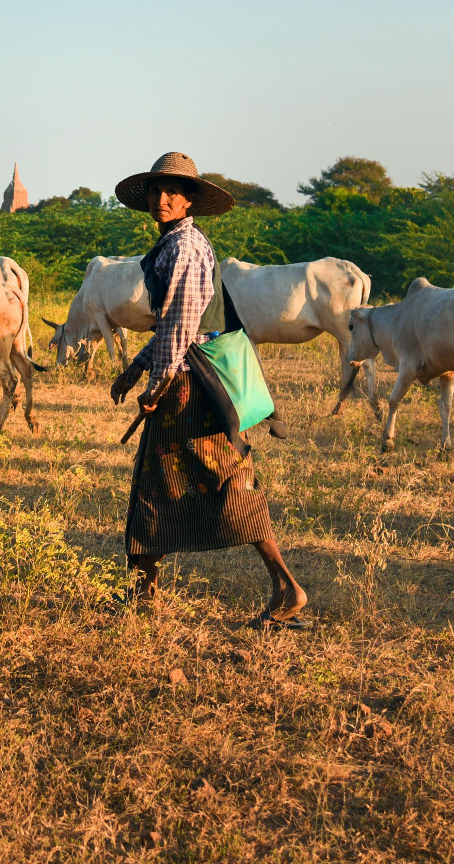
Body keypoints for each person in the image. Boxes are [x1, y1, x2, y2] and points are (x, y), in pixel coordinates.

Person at [110, 151, 309, 628]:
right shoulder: (179, 243)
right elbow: (173, 326)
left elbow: (180, 328)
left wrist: (155, 385)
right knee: (183, 479)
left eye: (173, 191)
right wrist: (136, 369)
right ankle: (143, 591)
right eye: (157, 190)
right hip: (185, 376)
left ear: (189, 200)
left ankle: (286, 586)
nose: (163, 198)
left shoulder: (183, 248)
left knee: (210, 479)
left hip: (188, 384)